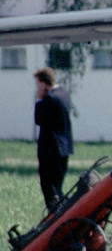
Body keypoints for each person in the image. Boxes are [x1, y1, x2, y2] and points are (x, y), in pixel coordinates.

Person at [33, 67, 74, 212]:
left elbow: (38, 119)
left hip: (50, 150)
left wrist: (39, 100)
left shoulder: (50, 98)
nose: (37, 87)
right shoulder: (64, 94)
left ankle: (54, 217)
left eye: (38, 84)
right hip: (64, 148)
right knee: (57, 187)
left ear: (44, 83)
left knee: (49, 189)